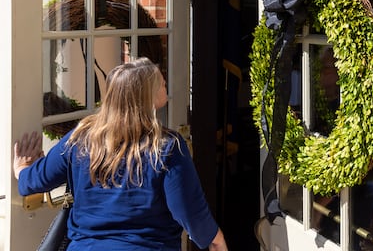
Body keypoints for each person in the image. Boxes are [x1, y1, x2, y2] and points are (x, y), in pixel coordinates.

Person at [13, 57, 228, 251]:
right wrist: (216, 240)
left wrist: (21, 169)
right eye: (160, 82)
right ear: (146, 96)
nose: (165, 83)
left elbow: (31, 182)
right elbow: (191, 213)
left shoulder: (80, 138)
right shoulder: (167, 147)